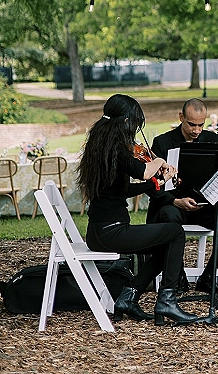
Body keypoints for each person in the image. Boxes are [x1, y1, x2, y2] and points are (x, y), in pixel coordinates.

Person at [77, 93, 198, 326]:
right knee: (175, 232)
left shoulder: (102, 146)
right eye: (134, 124)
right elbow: (143, 171)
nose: (134, 130)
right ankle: (167, 301)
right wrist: (160, 162)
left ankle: (129, 297)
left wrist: (157, 184)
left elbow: (121, 191)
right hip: (111, 232)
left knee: (168, 243)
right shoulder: (117, 150)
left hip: (101, 231)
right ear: (124, 122)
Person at [147, 98, 218, 294]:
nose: (197, 130)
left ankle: (209, 276)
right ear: (181, 117)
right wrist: (175, 201)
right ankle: (176, 275)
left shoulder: (213, 141)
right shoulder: (162, 142)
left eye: (201, 124)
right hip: (173, 206)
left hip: (203, 207)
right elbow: (152, 186)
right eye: (192, 124)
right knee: (168, 216)